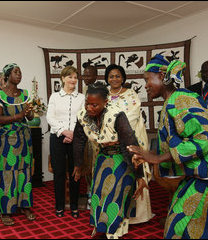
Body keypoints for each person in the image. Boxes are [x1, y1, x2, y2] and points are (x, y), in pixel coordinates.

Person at [128, 54, 208, 239]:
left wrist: (159, 158)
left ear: (161, 76)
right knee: (199, 226)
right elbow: (178, 146)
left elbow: (204, 139)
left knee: (184, 227)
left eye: (147, 79)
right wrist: (148, 155)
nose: (145, 85)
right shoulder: (173, 100)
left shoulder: (182, 99)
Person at [73, 82, 147, 239]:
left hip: (122, 158)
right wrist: (78, 165)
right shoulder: (82, 115)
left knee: (115, 196)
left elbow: (130, 144)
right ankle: (101, 229)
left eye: (94, 105)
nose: (89, 108)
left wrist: (139, 175)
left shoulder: (116, 115)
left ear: (105, 102)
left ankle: (113, 233)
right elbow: (79, 140)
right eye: (87, 103)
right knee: (98, 194)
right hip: (103, 157)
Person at [104, 64, 154, 225]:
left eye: (117, 76)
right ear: (107, 78)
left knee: (132, 174)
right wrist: (110, 133)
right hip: (109, 143)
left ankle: (135, 215)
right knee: (112, 177)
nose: (114, 79)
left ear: (123, 77)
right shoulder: (103, 94)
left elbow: (132, 115)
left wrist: (119, 131)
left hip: (129, 139)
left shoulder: (131, 93)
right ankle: (112, 214)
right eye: (111, 76)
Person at [0, 63, 36, 226]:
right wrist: (19, 116)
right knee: (6, 173)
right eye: (16, 72)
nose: (19, 74)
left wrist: (29, 113)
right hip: (5, 141)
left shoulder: (25, 94)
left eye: (20, 72)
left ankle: (25, 206)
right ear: (7, 75)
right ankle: (5, 209)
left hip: (23, 139)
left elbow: (29, 118)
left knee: (24, 173)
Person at [46, 66, 84, 218]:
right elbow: (50, 117)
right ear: (62, 78)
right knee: (59, 173)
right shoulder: (54, 97)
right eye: (70, 77)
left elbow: (83, 118)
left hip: (76, 138)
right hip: (57, 138)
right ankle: (59, 206)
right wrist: (63, 131)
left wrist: (73, 134)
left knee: (75, 172)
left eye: (75, 77)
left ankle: (74, 206)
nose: (73, 80)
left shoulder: (81, 97)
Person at [81, 65, 98, 211]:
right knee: (87, 166)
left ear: (95, 75)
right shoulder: (84, 91)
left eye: (88, 75)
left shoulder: (99, 91)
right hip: (86, 136)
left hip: (97, 137)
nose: (85, 78)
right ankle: (89, 194)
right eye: (84, 75)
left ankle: (95, 196)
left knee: (95, 167)